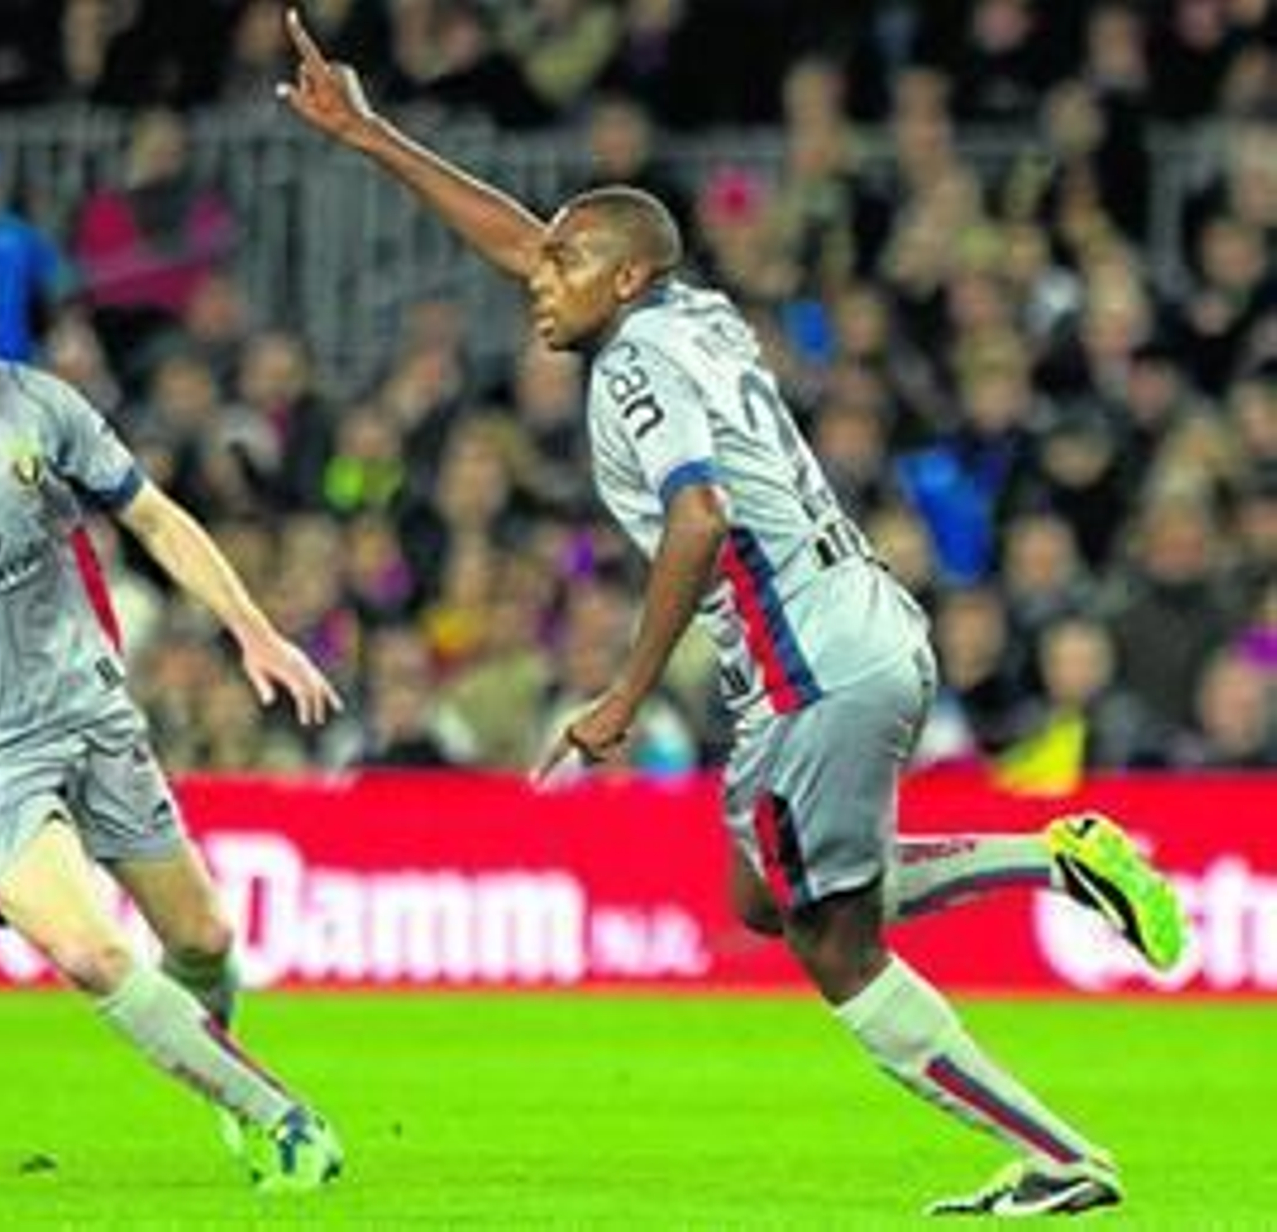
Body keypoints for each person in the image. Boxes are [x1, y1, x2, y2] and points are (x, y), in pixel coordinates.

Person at [278, 14, 1188, 1217]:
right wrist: (368, 132)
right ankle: (1054, 857)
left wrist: (621, 692)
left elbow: (698, 518)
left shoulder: (634, 365)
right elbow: (539, 244)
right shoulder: (683, 313)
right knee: (763, 893)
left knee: (833, 944)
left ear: (622, 281)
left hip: (804, 653)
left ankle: (1063, 1156)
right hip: (859, 618)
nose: (533, 285)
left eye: (561, 271)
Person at [0, 223, 343, 1193]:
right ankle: (282, 1119)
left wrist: (252, 629)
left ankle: (217, 1084)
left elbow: (155, 516)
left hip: (91, 713)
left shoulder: (40, 405)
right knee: (88, 948)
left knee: (202, 938)